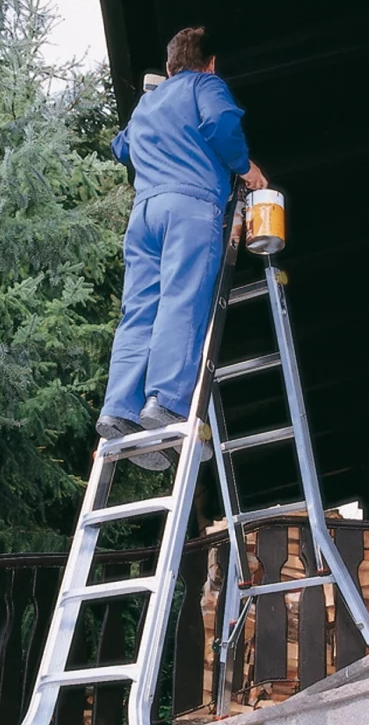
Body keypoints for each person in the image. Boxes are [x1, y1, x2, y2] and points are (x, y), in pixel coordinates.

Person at [96, 26, 268, 470]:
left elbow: (123, 148)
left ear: (170, 65)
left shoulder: (149, 103)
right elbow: (220, 125)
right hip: (190, 208)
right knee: (181, 301)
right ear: (209, 63)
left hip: (145, 213)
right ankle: (167, 403)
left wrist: (153, 101)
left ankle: (120, 408)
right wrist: (246, 168)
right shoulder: (206, 85)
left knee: (139, 310)